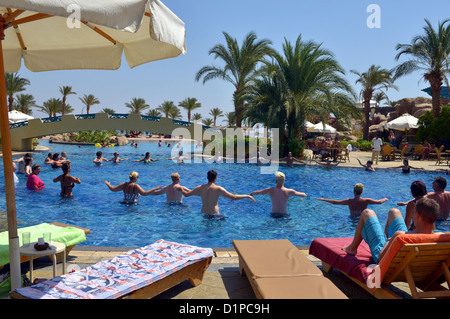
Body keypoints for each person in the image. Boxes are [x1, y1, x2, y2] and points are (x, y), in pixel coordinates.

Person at [343, 197, 440, 264]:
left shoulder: (399, 235)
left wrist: (390, 240)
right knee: (394, 211)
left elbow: (381, 257)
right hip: (407, 253)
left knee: (367, 212)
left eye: (414, 213)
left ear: (418, 216)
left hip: (387, 259)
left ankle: (352, 248)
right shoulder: (440, 237)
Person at [179, 170, 255, 217]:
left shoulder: (200, 187)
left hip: (204, 214)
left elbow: (186, 194)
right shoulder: (218, 189)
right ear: (215, 178)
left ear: (207, 177)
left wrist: (181, 188)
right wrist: (247, 196)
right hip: (214, 214)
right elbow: (233, 197)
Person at [318, 183, 388, 217]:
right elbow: (379, 202)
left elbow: (335, 202)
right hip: (361, 220)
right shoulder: (366, 201)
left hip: (352, 219)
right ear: (362, 192)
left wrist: (324, 199)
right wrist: (384, 199)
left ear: (353, 191)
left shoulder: (349, 201)